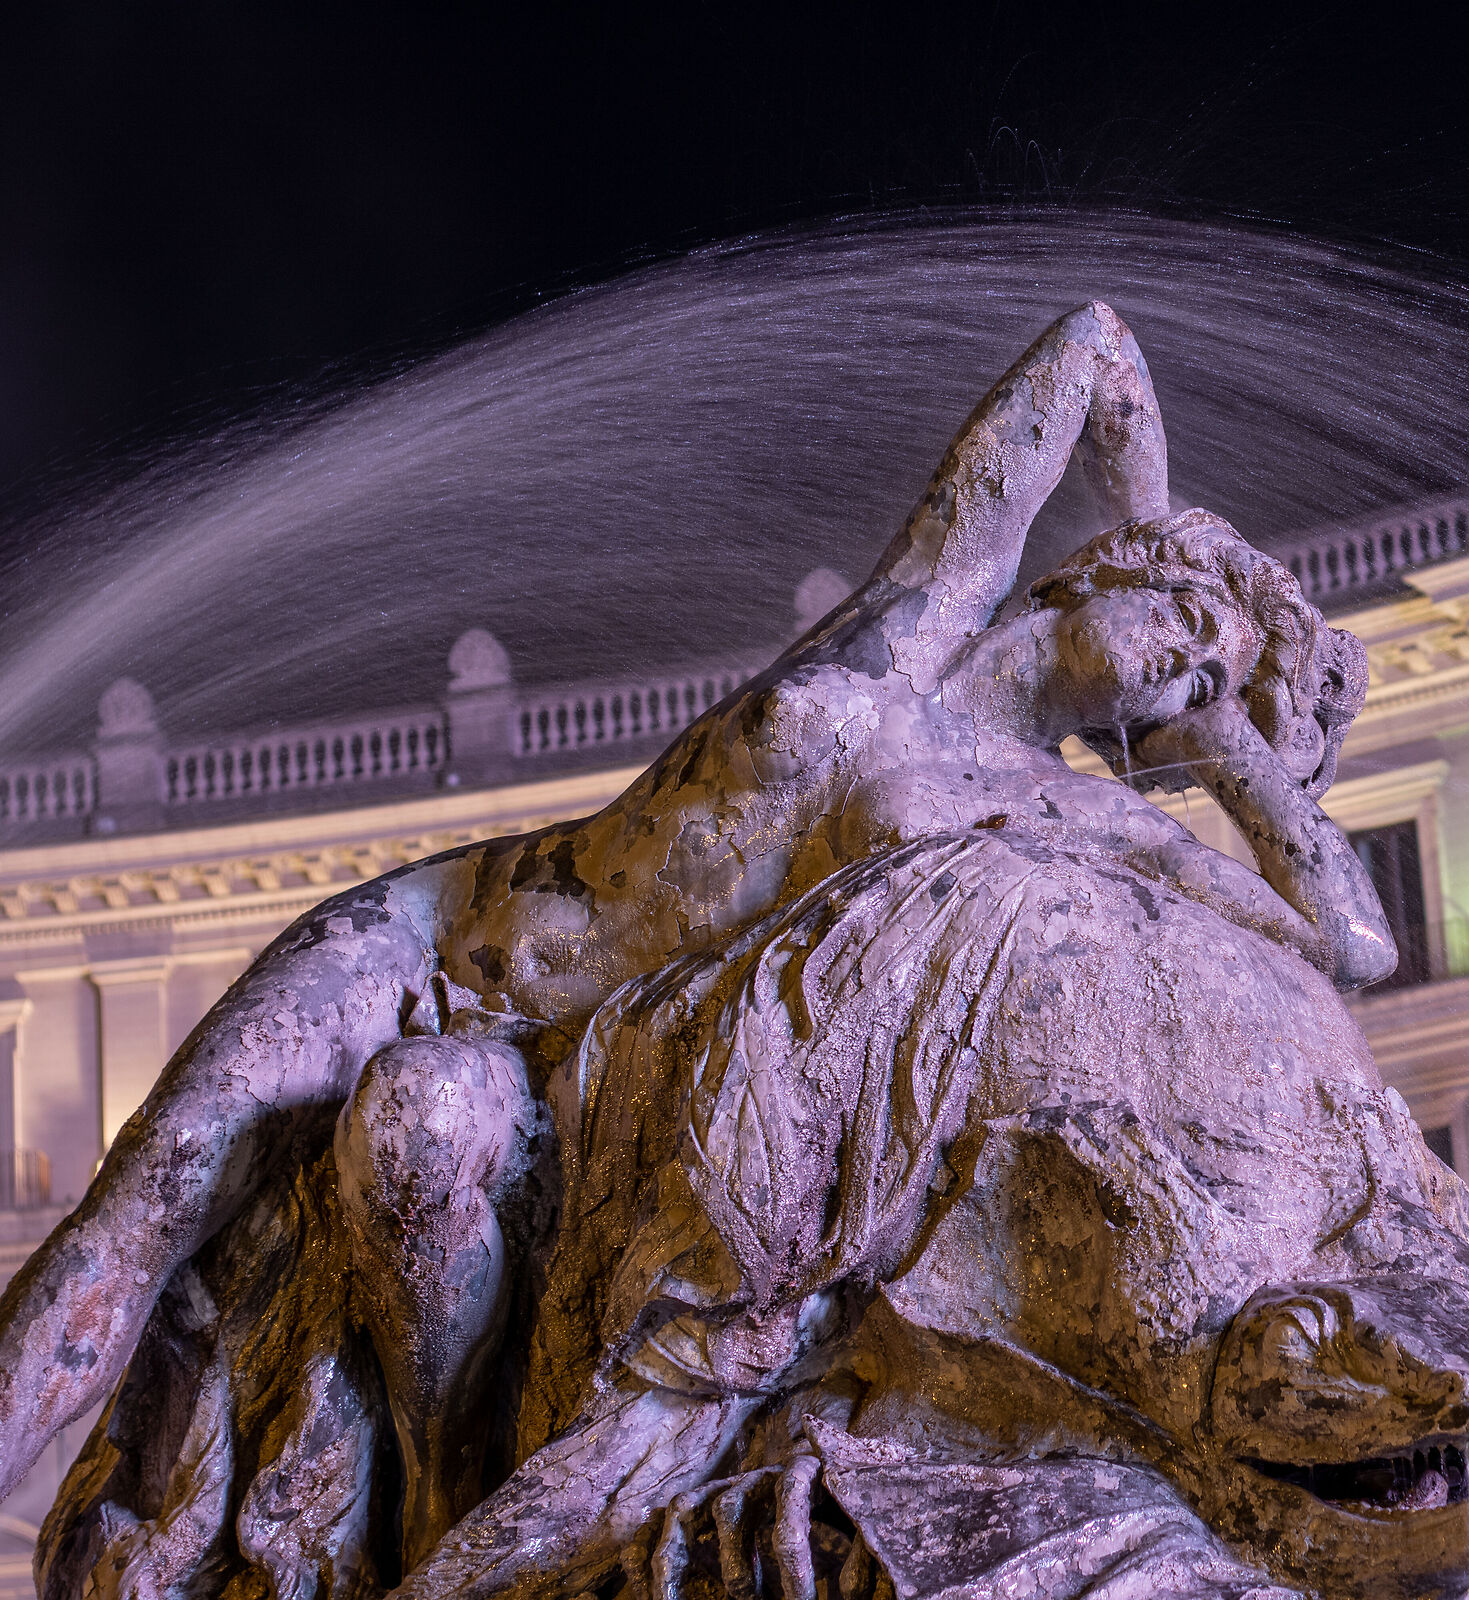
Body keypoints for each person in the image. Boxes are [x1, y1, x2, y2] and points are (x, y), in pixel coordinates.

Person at [0, 303, 1396, 1548]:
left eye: (1198, 677)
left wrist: (1233, 748)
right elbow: (1096, 344)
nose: (1178, 667)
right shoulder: (915, 618)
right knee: (135, 1216)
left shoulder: (1056, 817)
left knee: (420, 1238)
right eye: (1181, 625)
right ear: (1103, 575)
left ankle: (439, 1507)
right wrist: (1164, 530)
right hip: (440, 941)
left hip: (560, 1060)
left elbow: (1351, 940)